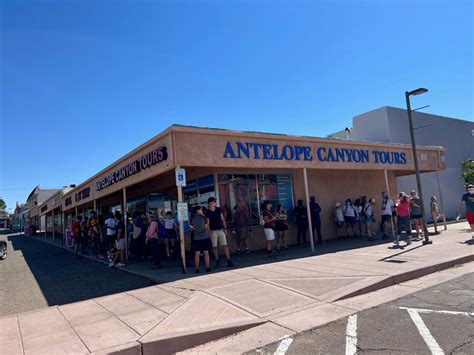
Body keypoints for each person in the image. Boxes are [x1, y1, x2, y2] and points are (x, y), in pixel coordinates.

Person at [206, 197, 234, 268]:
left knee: (225, 245)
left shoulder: (218, 209)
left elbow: (222, 219)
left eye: (215, 201)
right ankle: (217, 261)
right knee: (215, 247)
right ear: (210, 203)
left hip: (220, 229)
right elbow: (207, 223)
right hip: (213, 231)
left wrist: (225, 228)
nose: (215, 202)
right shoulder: (208, 212)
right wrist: (209, 232)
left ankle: (229, 260)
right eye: (214, 201)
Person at [191, 206, 211, 273]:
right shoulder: (203, 217)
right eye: (201, 209)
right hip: (204, 236)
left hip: (196, 237)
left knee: (197, 253)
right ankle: (208, 267)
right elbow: (206, 225)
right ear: (198, 210)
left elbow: (191, 227)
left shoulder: (192, 218)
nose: (202, 210)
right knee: (206, 252)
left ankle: (197, 268)